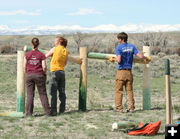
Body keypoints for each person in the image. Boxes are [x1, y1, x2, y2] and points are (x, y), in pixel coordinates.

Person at [110, 32, 150, 113]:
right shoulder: (132, 47)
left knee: (119, 91)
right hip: (129, 72)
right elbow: (140, 56)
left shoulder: (119, 48)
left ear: (122, 39)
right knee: (129, 91)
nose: (118, 40)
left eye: (119, 39)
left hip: (121, 72)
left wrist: (112, 59)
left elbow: (119, 60)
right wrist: (147, 57)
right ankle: (131, 108)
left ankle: (119, 108)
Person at [24, 37, 51, 116]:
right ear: (38, 44)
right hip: (39, 74)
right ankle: (48, 112)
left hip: (29, 75)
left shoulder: (27, 54)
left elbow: (24, 66)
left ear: (31, 44)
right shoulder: (41, 55)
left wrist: (27, 73)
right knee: (42, 94)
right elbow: (44, 66)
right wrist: (44, 74)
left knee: (30, 94)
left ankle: (28, 113)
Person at [46, 36, 69, 116]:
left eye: (55, 41)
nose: (54, 42)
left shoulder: (54, 49)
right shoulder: (66, 51)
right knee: (62, 91)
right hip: (62, 72)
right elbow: (65, 63)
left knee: (53, 92)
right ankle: (62, 110)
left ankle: (54, 111)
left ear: (59, 41)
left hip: (54, 72)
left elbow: (45, 56)